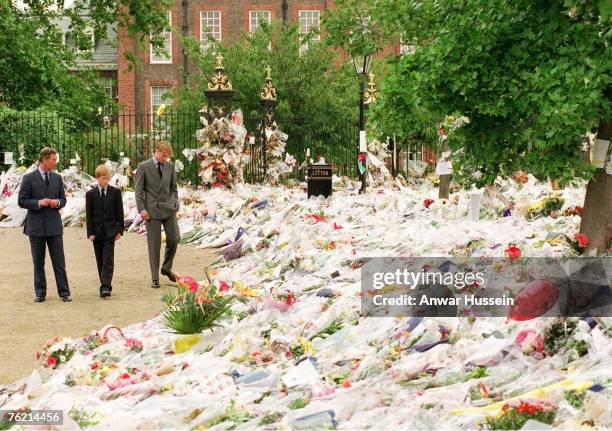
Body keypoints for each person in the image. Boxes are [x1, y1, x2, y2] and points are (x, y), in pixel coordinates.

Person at [17, 147, 71, 302]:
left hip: (54, 226)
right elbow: (21, 201)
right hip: (36, 226)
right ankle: (40, 293)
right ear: (45, 160)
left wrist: (58, 202)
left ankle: (64, 292)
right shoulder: (28, 178)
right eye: (53, 160)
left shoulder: (57, 178)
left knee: (59, 261)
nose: (55, 163)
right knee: (38, 263)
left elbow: (63, 199)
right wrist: (39, 202)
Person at [135, 141, 180, 288]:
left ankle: (166, 268)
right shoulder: (143, 167)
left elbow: (174, 188)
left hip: (169, 208)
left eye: (167, 156)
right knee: (154, 245)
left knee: (174, 238)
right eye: (164, 155)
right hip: (151, 210)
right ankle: (155, 278)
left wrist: (175, 202)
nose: (165, 159)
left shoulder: (170, 167)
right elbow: (139, 191)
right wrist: (141, 209)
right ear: (157, 151)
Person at [85, 164, 124, 298]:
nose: (105, 181)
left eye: (107, 178)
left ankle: (106, 286)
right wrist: (90, 232)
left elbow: (120, 212)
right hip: (96, 232)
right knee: (100, 260)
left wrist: (120, 230)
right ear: (97, 178)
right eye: (103, 178)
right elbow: (89, 215)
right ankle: (104, 282)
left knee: (108, 259)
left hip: (110, 231)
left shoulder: (115, 192)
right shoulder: (90, 194)